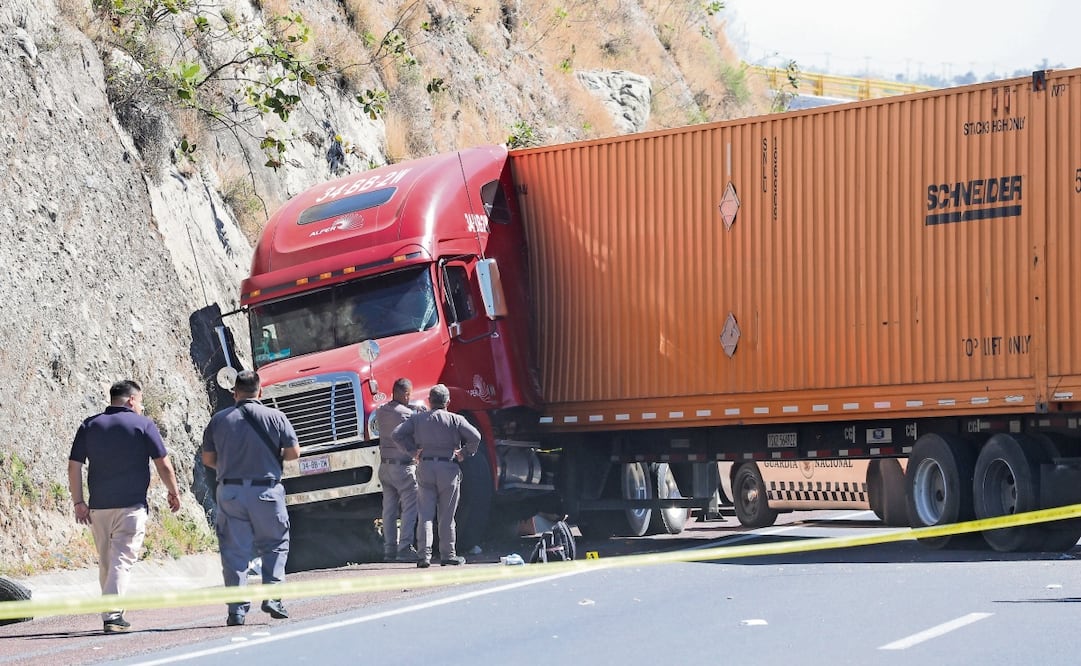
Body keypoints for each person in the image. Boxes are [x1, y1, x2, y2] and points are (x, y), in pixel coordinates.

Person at [67, 380, 182, 634]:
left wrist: (78, 501)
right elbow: (163, 464)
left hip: (98, 508)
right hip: (131, 507)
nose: (140, 406)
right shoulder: (143, 425)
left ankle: (114, 610)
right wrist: (173, 492)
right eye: (139, 401)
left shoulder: (90, 425)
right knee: (121, 559)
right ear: (131, 400)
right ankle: (112, 614)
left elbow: (74, 465)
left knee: (107, 561)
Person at [201, 369, 300, 627]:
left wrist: (231, 466)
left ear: (234, 392)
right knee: (276, 542)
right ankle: (273, 597)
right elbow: (293, 453)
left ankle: (236, 610)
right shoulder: (276, 417)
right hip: (266, 490)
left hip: (230, 491)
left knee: (234, 550)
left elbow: (208, 459)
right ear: (261, 391)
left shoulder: (218, 420)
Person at [392, 384, 481, 567]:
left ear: (429, 401)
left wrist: (412, 452)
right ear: (448, 401)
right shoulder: (456, 419)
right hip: (448, 468)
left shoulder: (418, 420)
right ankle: (448, 555)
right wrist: (464, 453)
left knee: (425, 515)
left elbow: (397, 434)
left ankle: (424, 556)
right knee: (447, 516)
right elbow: (476, 437)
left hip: (425, 467)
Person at [375, 378, 423, 563]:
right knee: (410, 508)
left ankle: (389, 550)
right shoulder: (407, 415)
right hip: (402, 468)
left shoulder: (380, 411)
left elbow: (393, 410)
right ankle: (404, 548)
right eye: (409, 394)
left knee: (388, 510)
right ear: (405, 394)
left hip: (384, 468)